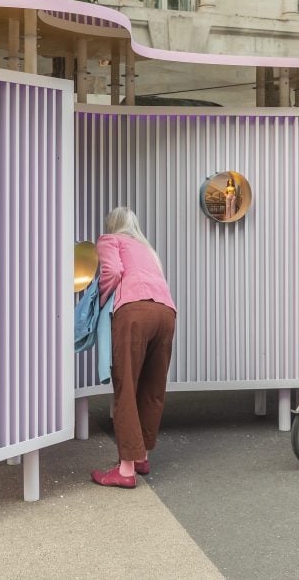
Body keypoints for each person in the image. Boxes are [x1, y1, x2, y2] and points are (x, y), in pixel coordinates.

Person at [91, 207, 177, 488]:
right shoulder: (148, 250)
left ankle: (126, 469)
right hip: (166, 313)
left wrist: (101, 301)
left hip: (134, 312)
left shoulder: (109, 240)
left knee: (126, 386)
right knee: (152, 387)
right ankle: (141, 457)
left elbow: (112, 271)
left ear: (112, 225)